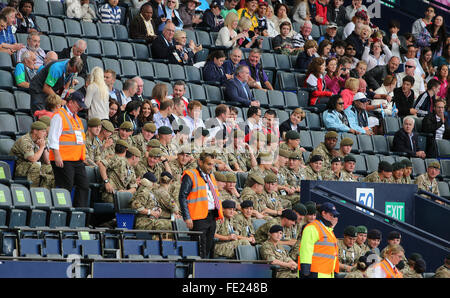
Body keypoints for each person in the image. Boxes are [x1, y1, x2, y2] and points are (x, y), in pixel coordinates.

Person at [178, 151, 224, 259]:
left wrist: (219, 213)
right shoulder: (190, 175)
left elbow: (214, 196)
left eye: (213, 165)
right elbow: (182, 196)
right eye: (208, 164)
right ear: (200, 162)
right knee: (199, 249)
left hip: (212, 216)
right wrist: (187, 217)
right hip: (198, 218)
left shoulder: (211, 176)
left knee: (207, 248)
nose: (211, 167)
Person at [47, 91, 89, 207]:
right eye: (78, 105)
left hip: (77, 159)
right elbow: (53, 137)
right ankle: (62, 211)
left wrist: (83, 156)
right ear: (70, 102)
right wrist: (57, 155)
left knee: (84, 185)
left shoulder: (77, 118)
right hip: (63, 159)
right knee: (66, 186)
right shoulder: (59, 116)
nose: (80, 108)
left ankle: (78, 213)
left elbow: (79, 140)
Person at [299, 202, 340, 278]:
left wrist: (335, 271)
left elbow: (333, 255)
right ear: (323, 213)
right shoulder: (312, 228)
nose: (333, 217)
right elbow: (306, 249)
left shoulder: (328, 230)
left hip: (327, 273)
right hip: (314, 273)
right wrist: (305, 268)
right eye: (331, 215)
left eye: (334, 215)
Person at [10, 121, 54, 188]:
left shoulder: (42, 139)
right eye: (43, 131)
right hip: (19, 166)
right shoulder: (25, 140)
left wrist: (44, 147)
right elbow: (32, 159)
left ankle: (45, 192)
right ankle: (33, 191)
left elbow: (47, 161)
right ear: (35, 131)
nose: (45, 134)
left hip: (33, 164)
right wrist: (41, 147)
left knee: (50, 168)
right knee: (35, 166)